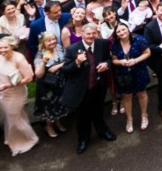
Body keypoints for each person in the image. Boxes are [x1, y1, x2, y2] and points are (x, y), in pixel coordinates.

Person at [61, 23, 115, 155]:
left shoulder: (102, 44)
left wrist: (106, 64)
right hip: (81, 89)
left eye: (93, 33)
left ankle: (103, 131)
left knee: (99, 112)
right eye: (88, 34)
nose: (91, 36)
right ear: (82, 35)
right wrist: (77, 62)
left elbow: (109, 58)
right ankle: (83, 139)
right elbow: (66, 70)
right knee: (82, 116)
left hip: (98, 86)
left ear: (96, 33)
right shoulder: (72, 49)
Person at [0, 36, 39, 157]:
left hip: (16, 93)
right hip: (2, 93)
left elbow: (28, 78)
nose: (2, 50)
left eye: (5, 47)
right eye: (0, 48)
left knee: (14, 118)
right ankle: (12, 138)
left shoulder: (19, 59)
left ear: (12, 46)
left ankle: (30, 139)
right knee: (12, 117)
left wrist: (8, 85)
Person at [109, 22, 152, 133]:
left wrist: (136, 60)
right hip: (123, 74)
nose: (122, 32)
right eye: (118, 31)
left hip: (139, 70)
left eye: (123, 29)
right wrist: (120, 61)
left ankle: (144, 115)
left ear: (128, 29)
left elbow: (147, 53)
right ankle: (129, 119)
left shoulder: (139, 39)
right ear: (116, 34)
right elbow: (113, 60)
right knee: (126, 97)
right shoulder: (115, 43)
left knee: (141, 93)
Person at [31, 33, 69, 138]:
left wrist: (58, 66)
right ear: (43, 43)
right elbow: (38, 74)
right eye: (49, 40)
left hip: (60, 82)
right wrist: (43, 62)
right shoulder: (40, 54)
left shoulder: (59, 47)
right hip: (46, 85)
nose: (52, 42)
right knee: (47, 106)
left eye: (53, 39)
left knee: (59, 103)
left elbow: (67, 60)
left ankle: (57, 121)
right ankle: (48, 126)